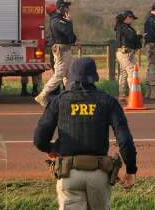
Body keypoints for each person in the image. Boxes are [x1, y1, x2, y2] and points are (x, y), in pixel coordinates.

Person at [33, 57, 137, 209]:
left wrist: (53, 149)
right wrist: (131, 170)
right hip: (99, 175)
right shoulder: (108, 101)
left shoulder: (59, 101)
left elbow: (39, 139)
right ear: (94, 77)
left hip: (69, 174)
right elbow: (125, 141)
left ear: (70, 78)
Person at [35, 0, 77, 107]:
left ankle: (69, 98)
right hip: (62, 51)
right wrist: (69, 21)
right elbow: (70, 34)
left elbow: (71, 38)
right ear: (60, 9)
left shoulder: (60, 20)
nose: (68, 9)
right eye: (66, 7)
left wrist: (68, 22)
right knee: (59, 75)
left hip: (65, 50)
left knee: (69, 75)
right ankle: (42, 95)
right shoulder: (57, 21)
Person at [115, 10, 143, 103]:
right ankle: (134, 95)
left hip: (124, 53)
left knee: (124, 73)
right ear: (126, 18)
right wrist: (138, 36)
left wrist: (138, 36)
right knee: (132, 72)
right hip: (125, 53)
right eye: (131, 18)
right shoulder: (124, 27)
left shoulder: (123, 26)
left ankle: (122, 95)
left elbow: (130, 37)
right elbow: (131, 37)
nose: (132, 20)